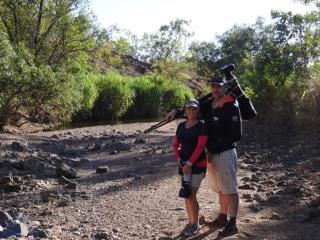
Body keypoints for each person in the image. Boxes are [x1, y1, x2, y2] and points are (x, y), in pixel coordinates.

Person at [167, 76, 243, 237]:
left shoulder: (231, 105)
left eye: (219, 87)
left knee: (230, 188)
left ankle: (233, 223)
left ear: (225, 88)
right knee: (220, 188)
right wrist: (176, 111)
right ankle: (222, 217)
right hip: (212, 154)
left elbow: (237, 134)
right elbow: (192, 111)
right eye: (213, 87)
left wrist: (218, 146)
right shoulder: (210, 105)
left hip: (226, 152)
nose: (215, 90)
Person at [173, 99, 208, 237]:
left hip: (198, 164)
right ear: (185, 111)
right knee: (186, 194)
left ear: (198, 111)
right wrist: (179, 161)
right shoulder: (181, 126)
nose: (191, 111)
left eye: (194, 109)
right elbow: (175, 145)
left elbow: (200, 147)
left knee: (192, 195)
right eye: (189, 108)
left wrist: (189, 164)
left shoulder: (202, 126)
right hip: (183, 164)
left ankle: (196, 224)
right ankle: (190, 221)